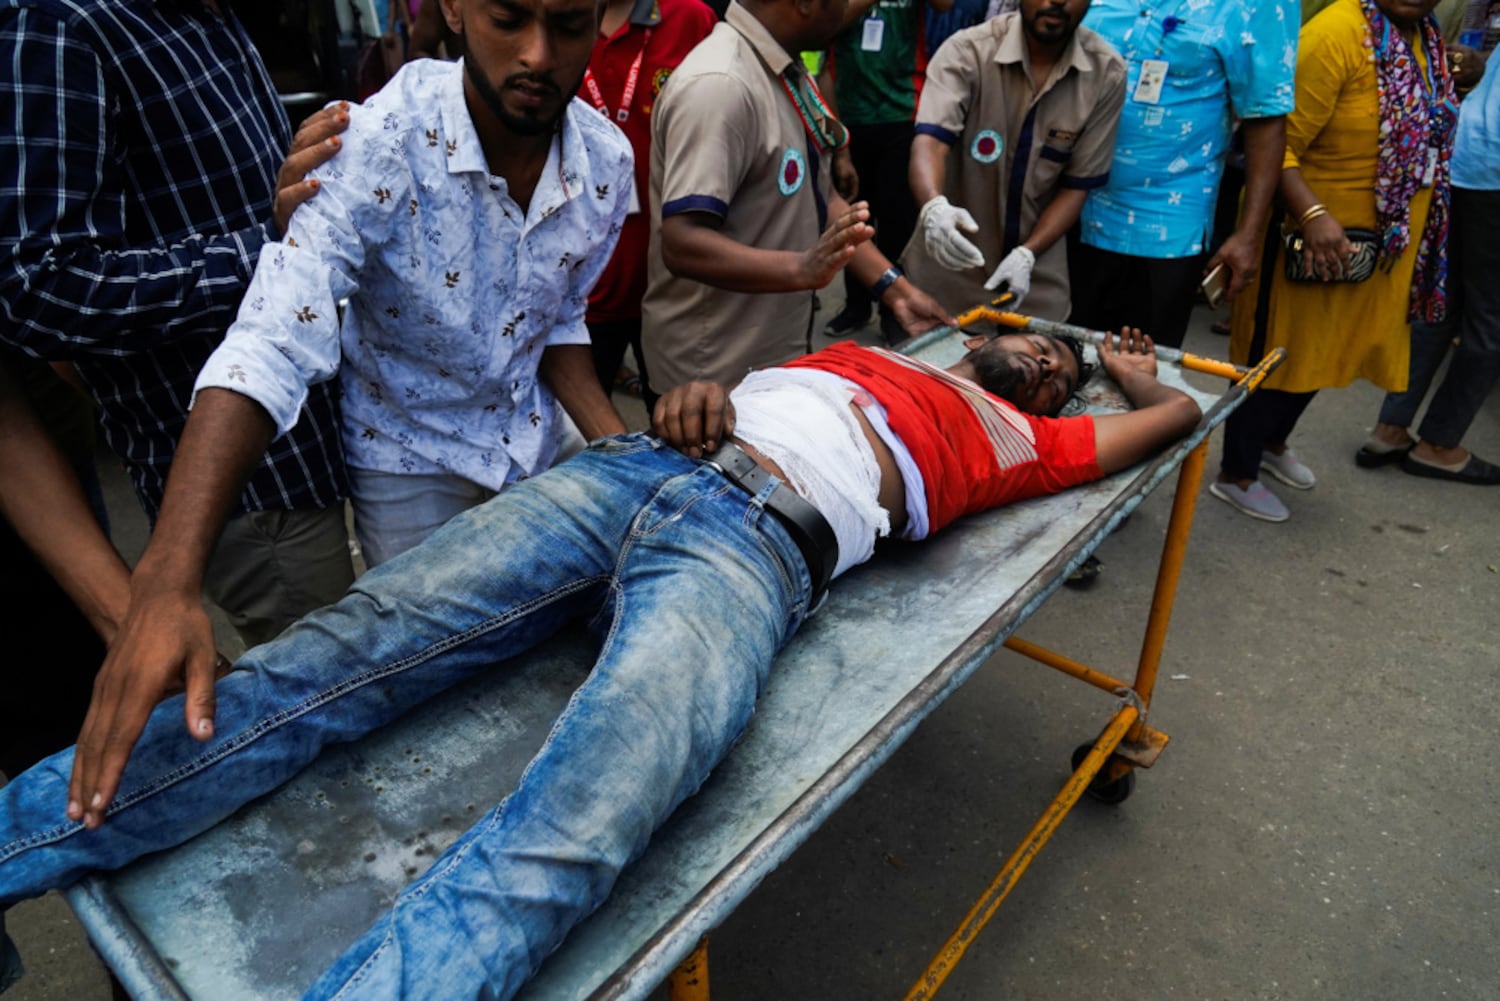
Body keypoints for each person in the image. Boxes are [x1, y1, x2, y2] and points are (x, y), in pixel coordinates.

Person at [0, 328, 1199, 1001]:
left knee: (581, 817)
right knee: (334, 658)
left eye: (1058, 366)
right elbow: (865, 306)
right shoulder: (868, 348)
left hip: (756, 546)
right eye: (1033, 341)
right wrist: (680, 400)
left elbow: (1169, 420)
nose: (1043, 361)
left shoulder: (1021, 437)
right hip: (619, 476)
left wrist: (1133, 372)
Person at [0, 0, 356, 649]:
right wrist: (263, 252)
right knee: (340, 704)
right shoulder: (62, 25)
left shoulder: (208, 16)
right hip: (252, 487)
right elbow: (36, 285)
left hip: (308, 439)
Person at [1213, 0, 1460, 521]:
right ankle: (1237, 472)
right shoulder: (1336, 33)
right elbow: (1273, 144)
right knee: (1276, 355)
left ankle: (1271, 444)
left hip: (1374, 245)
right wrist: (1313, 214)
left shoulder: (1425, 39)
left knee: (1328, 353)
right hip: (1310, 236)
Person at [640, 0, 953, 395]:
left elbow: (819, 198)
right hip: (711, 378)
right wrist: (801, 268)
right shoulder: (721, 84)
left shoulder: (786, 71)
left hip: (769, 361)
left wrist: (896, 290)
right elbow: (683, 243)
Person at [1066, 0, 1296, 348]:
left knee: (1134, 371)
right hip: (1068, 204)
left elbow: (1265, 118)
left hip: (1166, 225)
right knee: (1048, 357)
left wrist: (1248, 234)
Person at [900, 0, 1126, 319]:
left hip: (1037, 285)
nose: (1056, 1)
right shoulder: (967, 51)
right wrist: (934, 207)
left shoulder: (1106, 73)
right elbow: (931, 142)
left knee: (1035, 364)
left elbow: (1077, 186)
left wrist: (1027, 254)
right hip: (948, 275)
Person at [1358, 48, 1500, 484]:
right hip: (1493, 173)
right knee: (1489, 321)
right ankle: (1438, 445)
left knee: (1439, 302)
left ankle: (1390, 427)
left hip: (1463, 157)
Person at [583, 0, 718, 403]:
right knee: (573, 441)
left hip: (671, 285)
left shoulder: (690, 18)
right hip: (582, 285)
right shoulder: (557, 19)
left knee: (679, 437)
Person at [819, 0, 953, 340]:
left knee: (897, 221)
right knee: (853, 219)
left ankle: (894, 309)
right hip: (850, 118)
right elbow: (829, 25)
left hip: (903, 115)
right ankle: (856, 305)